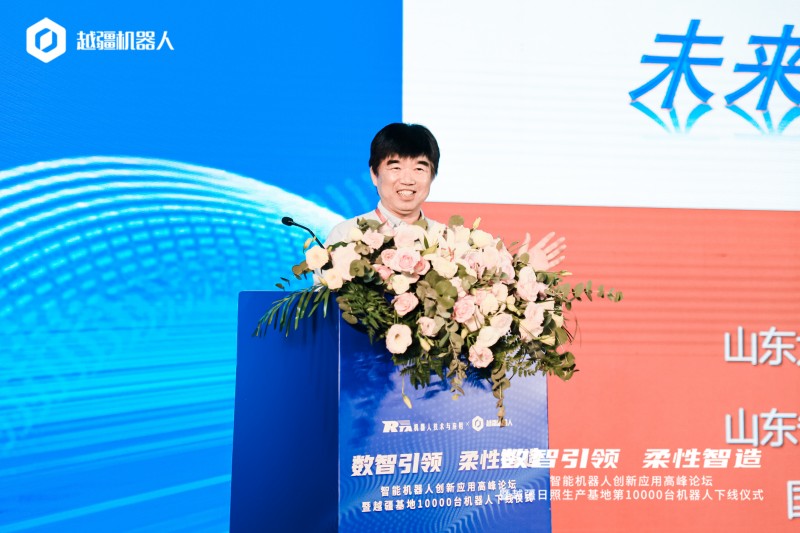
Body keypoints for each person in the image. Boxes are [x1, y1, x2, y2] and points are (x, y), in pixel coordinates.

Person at [324, 123, 565, 270]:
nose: (407, 179)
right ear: (374, 174)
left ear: (432, 176)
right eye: (395, 167)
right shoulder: (346, 235)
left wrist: (521, 270)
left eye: (419, 168)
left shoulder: (452, 242)